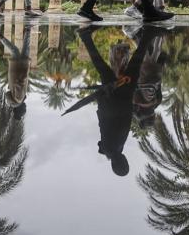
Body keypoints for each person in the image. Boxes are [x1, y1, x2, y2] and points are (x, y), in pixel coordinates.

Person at [64, 25, 162, 176]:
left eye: (125, 163)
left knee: (133, 66)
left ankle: (148, 34)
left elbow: (118, 121)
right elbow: (105, 128)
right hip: (112, 101)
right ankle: (85, 36)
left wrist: (122, 95)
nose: (125, 160)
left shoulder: (114, 148)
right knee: (104, 68)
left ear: (122, 163)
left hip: (119, 99)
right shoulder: (113, 150)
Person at [0, 24, 32, 121]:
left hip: (20, 67)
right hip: (16, 70)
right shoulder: (14, 100)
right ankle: (27, 30)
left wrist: (25, 74)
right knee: (22, 49)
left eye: (24, 109)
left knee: (18, 50)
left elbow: (20, 82)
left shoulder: (19, 99)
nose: (25, 107)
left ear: (21, 109)